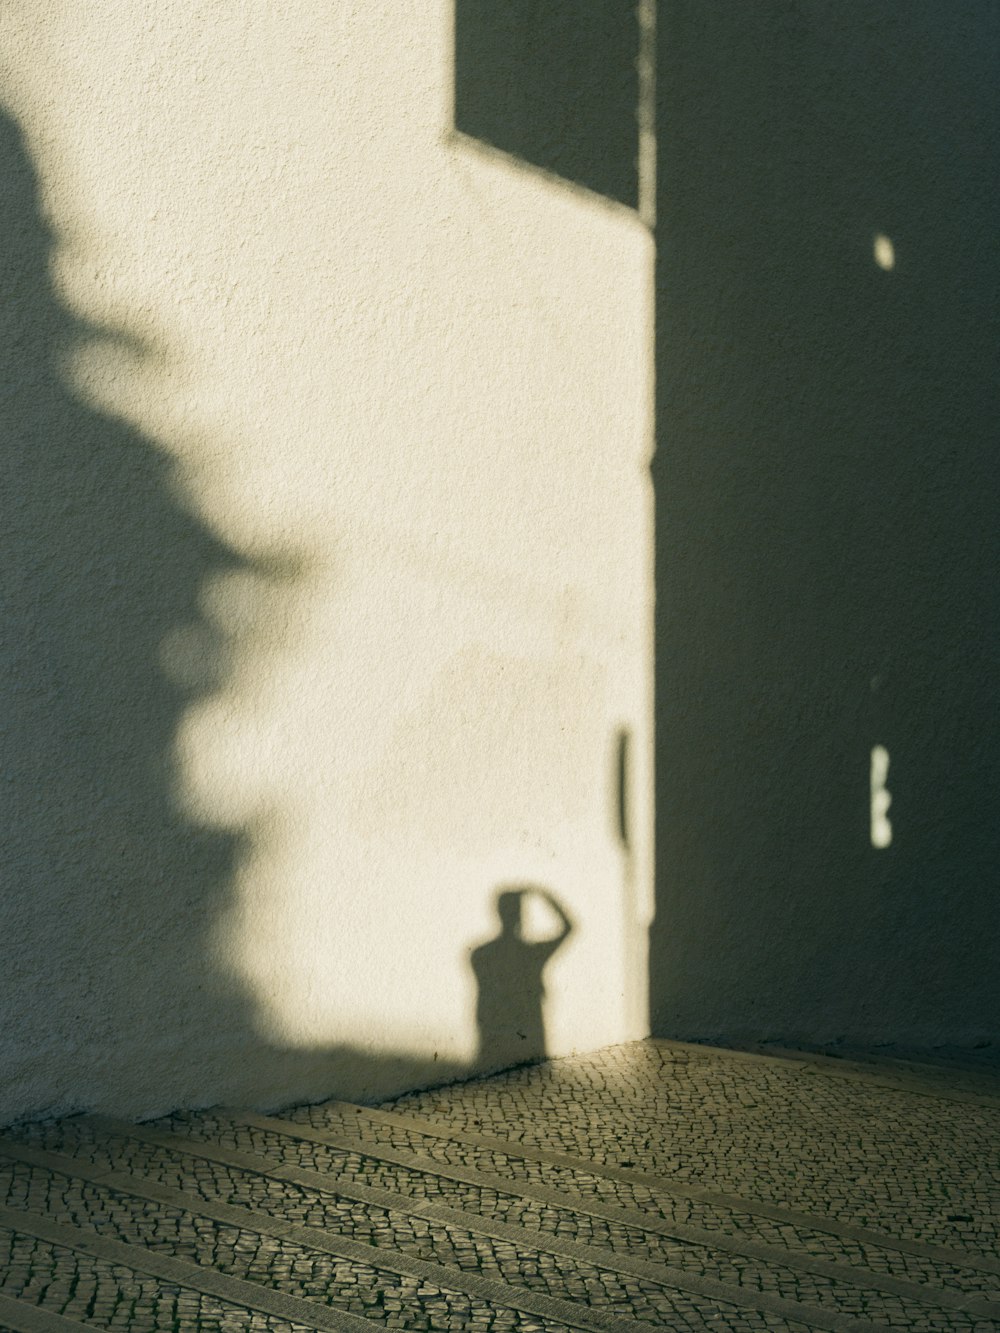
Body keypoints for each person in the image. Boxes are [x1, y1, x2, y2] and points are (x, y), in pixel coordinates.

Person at [470, 886, 573, 1071]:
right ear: (520, 915)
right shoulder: (530, 954)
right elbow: (569, 927)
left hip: (493, 1038)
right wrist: (545, 895)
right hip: (529, 1041)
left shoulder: (481, 954)